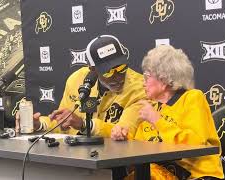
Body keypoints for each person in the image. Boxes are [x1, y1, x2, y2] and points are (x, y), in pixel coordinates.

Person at [112, 45, 224, 180]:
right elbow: (140, 150)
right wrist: (123, 137)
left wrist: (157, 120)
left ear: (164, 79)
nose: (143, 82)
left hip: (196, 176)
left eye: (147, 76)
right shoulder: (153, 108)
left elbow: (195, 144)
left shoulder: (192, 98)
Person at [17, 35, 146, 138]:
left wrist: (85, 125)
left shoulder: (140, 87)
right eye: (108, 71)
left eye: (122, 68)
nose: (117, 76)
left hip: (118, 163)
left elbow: (126, 132)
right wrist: (39, 124)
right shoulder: (76, 80)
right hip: (78, 159)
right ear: (93, 69)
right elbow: (64, 123)